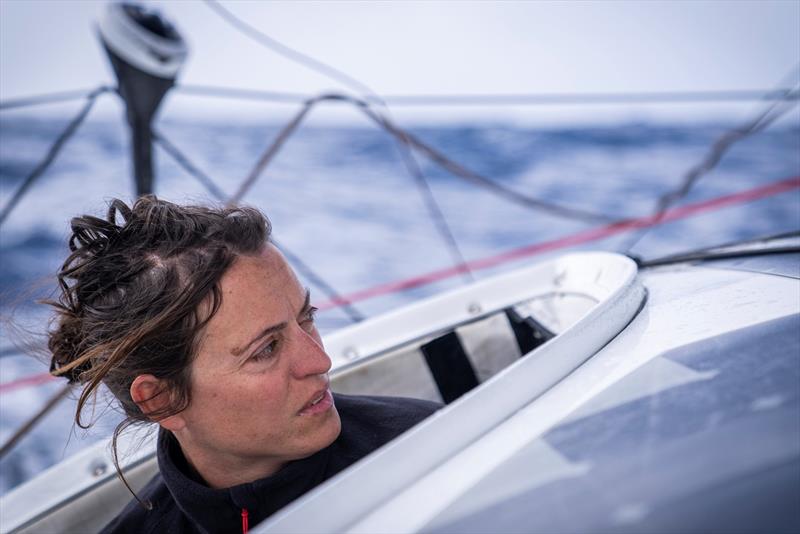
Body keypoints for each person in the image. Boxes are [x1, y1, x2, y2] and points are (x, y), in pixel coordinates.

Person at [47, 196, 441, 534]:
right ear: (161, 400)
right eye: (266, 349)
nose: (319, 361)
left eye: (307, 318)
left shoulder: (439, 450)